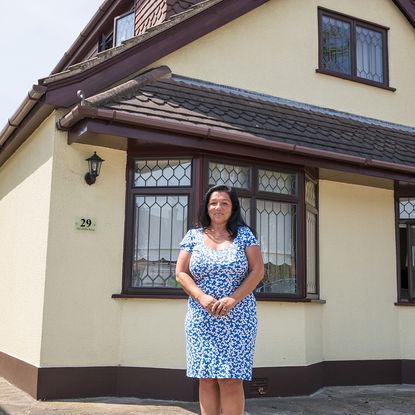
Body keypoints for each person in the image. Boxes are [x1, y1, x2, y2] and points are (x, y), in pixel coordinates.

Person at [176, 185, 264, 415]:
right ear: (207, 206)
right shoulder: (193, 236)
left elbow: (257, 271)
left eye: (224, 202)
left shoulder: (245, 235)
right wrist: (202, 297)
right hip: (201, 317)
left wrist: (233, 299)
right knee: (206, 378)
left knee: (231, 378)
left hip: (238, 317)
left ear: (233, 207)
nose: (218, 207)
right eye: (213, 202)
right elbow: (181, 273)